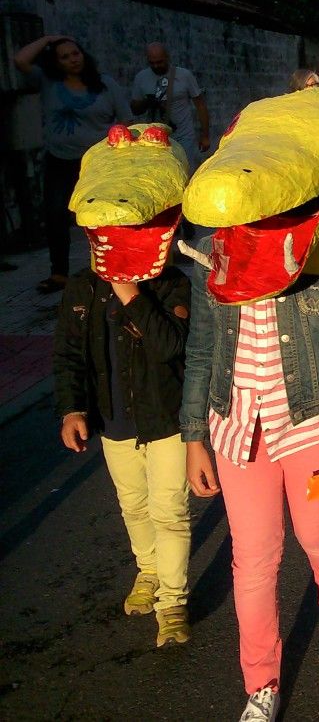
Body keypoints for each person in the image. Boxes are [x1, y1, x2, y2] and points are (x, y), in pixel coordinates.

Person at [180, 90, 319, 722]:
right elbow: (203, 346)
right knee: (254, 556)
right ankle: (260, 680)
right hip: (236, 429)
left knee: (317, 529)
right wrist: (193, 436)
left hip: (314, 424)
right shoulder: (216, 250)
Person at [53, 123, 192, 649]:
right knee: (133, 507)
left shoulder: (173, 281)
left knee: (169, 510)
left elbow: (171, 347)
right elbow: (68, 353)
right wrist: (71, 409)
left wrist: (132, 293)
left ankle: (173, 601)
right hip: (113, 421)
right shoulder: (82, 285)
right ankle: (149, 571)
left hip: (166, 419)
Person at [13, 35, 132, 293]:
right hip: (59, 161)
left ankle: (111, 268)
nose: (72, 59)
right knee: (56, 215)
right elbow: (20, 60)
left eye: (75, 53)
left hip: (98, 163)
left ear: (83, 55)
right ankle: (59, 273)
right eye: (64, 56)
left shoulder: (105, 85)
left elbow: (126, 121)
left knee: (102, 216)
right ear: (56, 63)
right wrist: (48, 39)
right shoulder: (47, 82)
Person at [130, 42, 211, 168]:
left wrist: (205, 136)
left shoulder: (184, 75)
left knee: (186, 170)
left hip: (183, 136)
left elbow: (200, 105)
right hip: (154, 138)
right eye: (152, 63)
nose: (156, 66)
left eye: (160, 62)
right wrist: (147, 101)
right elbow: (134, 109)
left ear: (167, 57)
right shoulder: (141, 78)